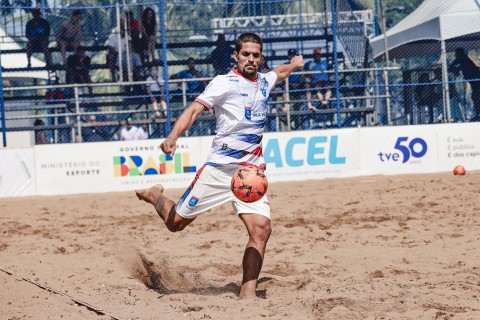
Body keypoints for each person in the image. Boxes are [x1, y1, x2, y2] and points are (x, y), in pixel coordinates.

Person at [135, 32, 305, 299]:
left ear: (261, 58)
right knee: (175, 223)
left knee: (261, 229)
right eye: (246, 54)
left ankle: (247, 297)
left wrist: (294, 64)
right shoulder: (223, 83)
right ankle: (155, 195)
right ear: (236, 56)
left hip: (249, 174)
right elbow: (193, 110)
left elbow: (279, 73)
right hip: (218, 170)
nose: (251, 59)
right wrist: (172, 136)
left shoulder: (264, 81)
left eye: (256, 55)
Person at [449, 47, 480, 122]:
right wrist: (455, 70)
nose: (456, 55)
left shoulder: (463, 58)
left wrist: (455, 70)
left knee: (476, 97)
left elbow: (452, 67)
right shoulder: (463, 59)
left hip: (477, 81)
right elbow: (453, 67)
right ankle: (478, 114)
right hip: (474, 82)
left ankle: (479, 114)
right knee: (475, 97)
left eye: (456, 54)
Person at [283, 48, 308, 130]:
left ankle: (309, 104)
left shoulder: (299, 65)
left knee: (307, 85)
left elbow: (303, 76)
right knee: (284, 87)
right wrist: (291, 84)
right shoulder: (286, 65)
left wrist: (299, 82)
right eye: (291, 55)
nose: (292, 57)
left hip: (299, 85)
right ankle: (286, 105)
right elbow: (283, 77)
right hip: (289, 85)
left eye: (293, 55)